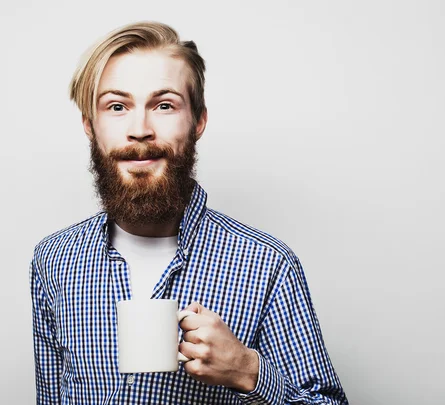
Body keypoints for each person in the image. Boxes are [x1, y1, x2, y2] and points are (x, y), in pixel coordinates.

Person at [30, 21, 348, 405]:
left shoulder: (268, 265)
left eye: (164, 105)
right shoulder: (53, 259)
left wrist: (250, 372)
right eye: (117, 106)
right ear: (90, 126)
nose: (140, 130)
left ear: (197, 122)